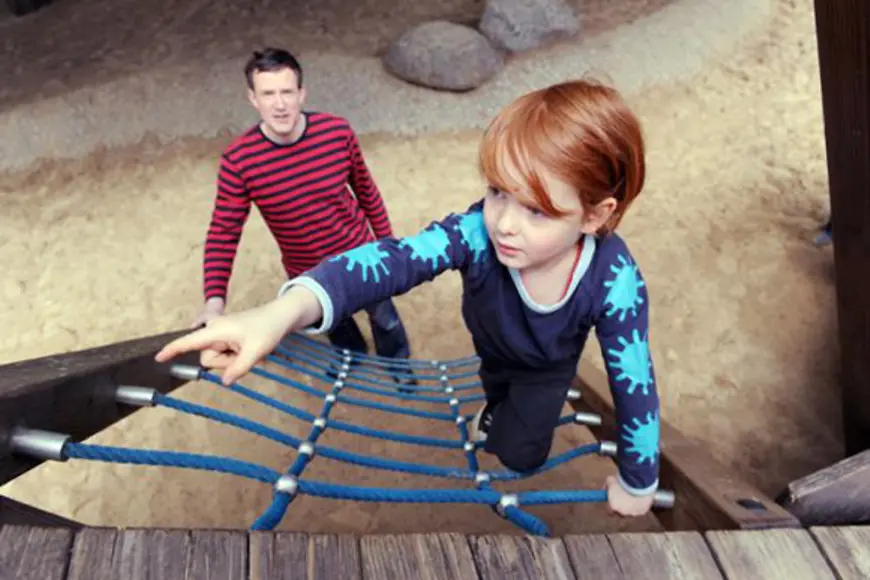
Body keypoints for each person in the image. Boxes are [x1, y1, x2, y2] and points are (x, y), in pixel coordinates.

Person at [157, 78, 661, 517]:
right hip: (489, 348)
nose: (505, 223)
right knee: (494, 388)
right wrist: (281, 311)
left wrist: (639, 479)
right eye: (497, 192)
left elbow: (633, 378)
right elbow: (392, 260)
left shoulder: (614, 281)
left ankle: (503, 428)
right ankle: (492, 411)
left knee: (521, 452)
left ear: (594, 216)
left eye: (538, 211)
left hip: (548, 367)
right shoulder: (475, 233)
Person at [191, 47, 414, 383]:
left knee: (385, 318)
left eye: (287, 92)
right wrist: (214, 303)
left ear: (301, 94)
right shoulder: (239, 161)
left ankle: (399, 366)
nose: (279, 104)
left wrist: (385, 243)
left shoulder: (337, 132)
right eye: (268, 94)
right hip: (310, 272)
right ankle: (351, 357)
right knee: (335, 325)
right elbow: (224, 233)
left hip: (362, 256)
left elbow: (366, 190)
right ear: (253, 98)